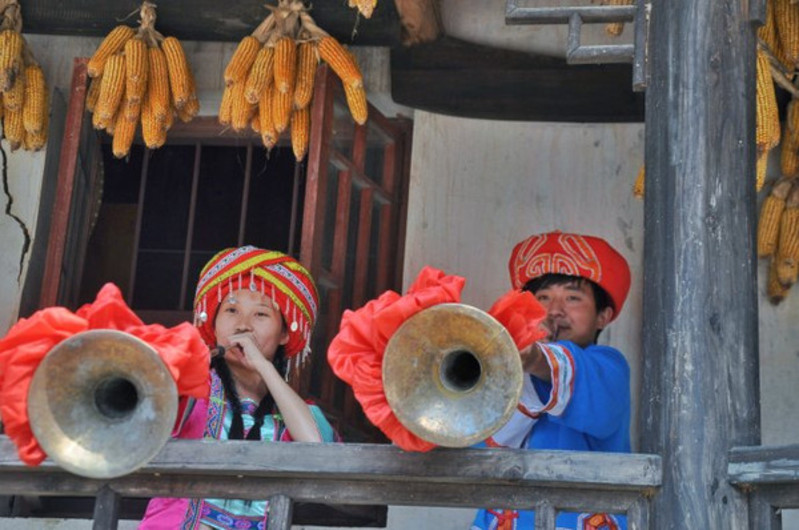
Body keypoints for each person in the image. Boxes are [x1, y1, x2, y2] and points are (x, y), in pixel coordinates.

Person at [140, 246, 337, 530]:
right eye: (231, 310)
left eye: (260, 314)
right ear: (215, 323)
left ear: (284, 334)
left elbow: (319, 449)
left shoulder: (296, 410)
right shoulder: (193, 388)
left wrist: (264, 367)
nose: (243, 325)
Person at [471, 231, 632, 530]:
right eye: (542, 298)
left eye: (572, 298)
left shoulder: (610, 366)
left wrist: (534, 358)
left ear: (603, 316)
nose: (554, 311)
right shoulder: (501, 372)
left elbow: (589, 392)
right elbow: (477, 448)